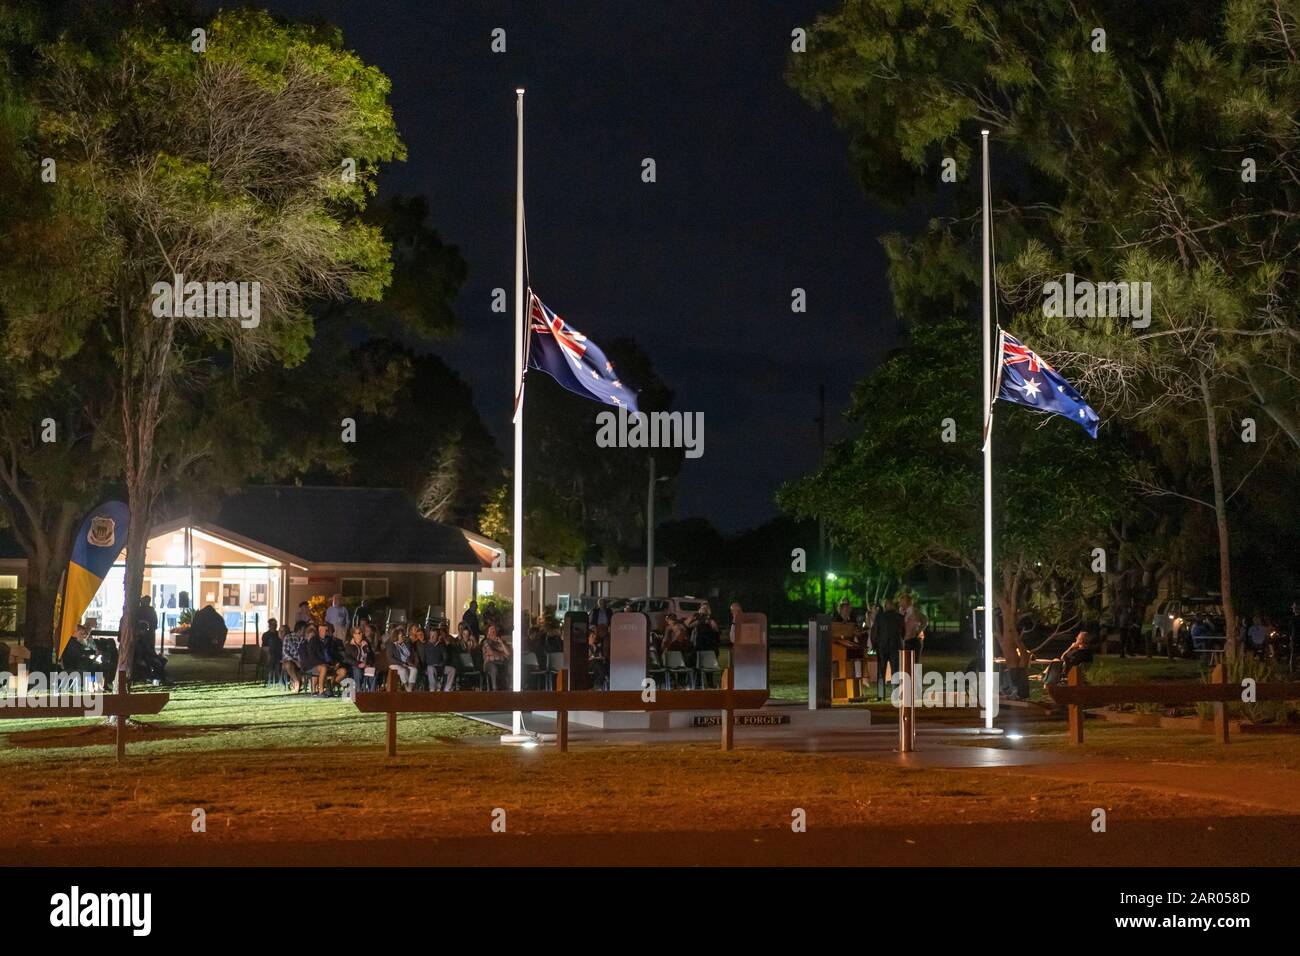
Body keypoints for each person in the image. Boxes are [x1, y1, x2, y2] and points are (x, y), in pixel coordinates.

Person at [870, 599, 903, 700]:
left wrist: (874, 645)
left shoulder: (880, 617)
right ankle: (896, 695)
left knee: (881, 672)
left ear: (885, 606)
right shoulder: (899, 617)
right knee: (895, 671)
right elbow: (903, 632)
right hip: (895, 647)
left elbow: (874, 632)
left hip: (882, 648)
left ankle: (881, 695)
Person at [481, 624, 511, 690]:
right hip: (489, 663)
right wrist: (502, 654)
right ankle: (495, 689)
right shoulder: (486, 642)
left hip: (500, 663)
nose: (493, 632)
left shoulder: (500, 642)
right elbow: (491, 652)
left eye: (494, 630)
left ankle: (509, 688)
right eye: (491, 630)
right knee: (494, 668)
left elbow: (508, 654)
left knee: (510, 666)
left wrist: (501, 643)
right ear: (488, 633)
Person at [344, 625, 374, 691]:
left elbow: (371, 655)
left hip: (365, 665)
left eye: (362, 632)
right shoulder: (349, 645)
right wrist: (358, 664)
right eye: (359, 633)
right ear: (354, 635)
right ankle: (358, 691)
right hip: (354, 666)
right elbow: (347, 658)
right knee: (358, 670)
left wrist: (369, 663)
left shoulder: (366, 644)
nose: (361, 634)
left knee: (373, 671)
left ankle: (372, 692)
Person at [280, 625, 304, 691]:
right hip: (291, 660)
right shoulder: (288, 637)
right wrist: (295, 661)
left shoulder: (304, 639)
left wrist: (300, 661)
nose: (305, 632)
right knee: (288, 664)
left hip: (302, 661)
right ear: (299, 630)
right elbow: (285, 653)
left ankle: (296, 682)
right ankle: (296, 681)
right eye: (303, 630)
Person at [261, 617, 282, 686]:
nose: (275, 626)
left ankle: (278, 679)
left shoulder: (278, 633)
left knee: (276, 656)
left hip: (278, 653)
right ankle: (271, 679)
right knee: (272, 656)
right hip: (269, 654)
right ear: (269, 625)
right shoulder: (266, 635)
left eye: (276, 624)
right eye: (273, 624)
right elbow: (264, 647)